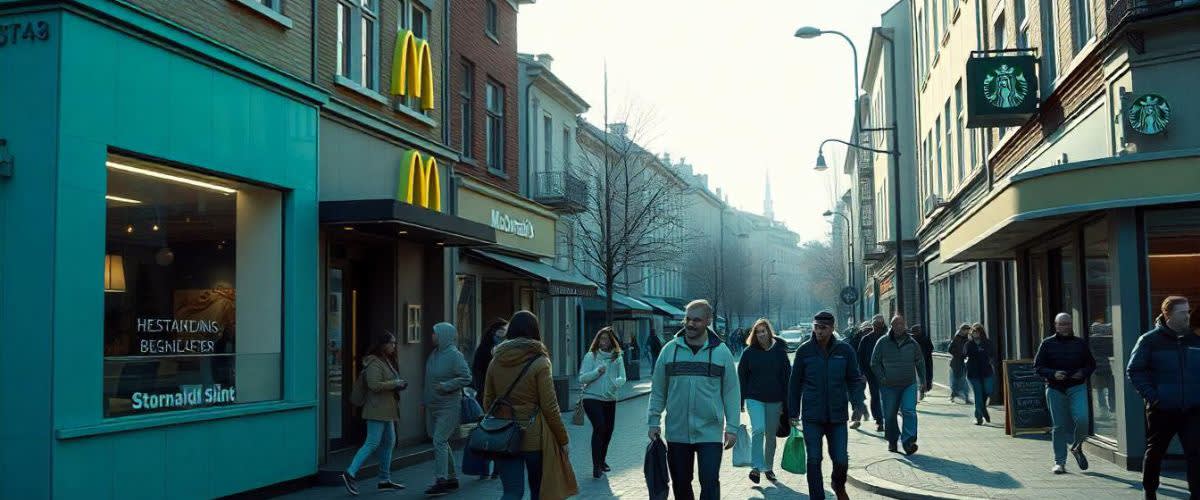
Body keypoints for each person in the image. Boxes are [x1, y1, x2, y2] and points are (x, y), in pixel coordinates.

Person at [647, 299, 740, 500]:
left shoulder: (721, 352)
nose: (690, 324)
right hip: (677, 432)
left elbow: (731, 393)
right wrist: (653, 421)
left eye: (696, 320)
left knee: (709, 484)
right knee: (681, 484)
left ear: (708, 321)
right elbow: (658, 390)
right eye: (687, 319)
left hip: (710, 433)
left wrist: (732, 428)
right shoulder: (669, 350)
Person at [483, 311, 576, 500]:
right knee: (538, 491)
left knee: (511, 492)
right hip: (533, 437)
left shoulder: (496, 360)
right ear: (534, 331)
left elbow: (487, 401)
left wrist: (503, 418)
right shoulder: (540, 362)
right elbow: (550, 407)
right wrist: (563, 439)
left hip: (504, 435)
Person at [788, 311, 867, 500]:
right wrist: (792, 411)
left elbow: (853, 380)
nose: (818, 331)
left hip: (838, 415)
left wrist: (857, 405)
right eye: (816, 327)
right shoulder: (804, 351)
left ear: (832, 329)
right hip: (812, 415)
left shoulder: (845, 351)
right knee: (814, 459)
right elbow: (795, 383)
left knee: (840, 459)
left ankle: (838, 484)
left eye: (823, 328)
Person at [1127, 296, 1200, 498]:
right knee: (1155, 453)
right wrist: (1154, 397)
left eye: (1188, 311)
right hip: (1162, 409)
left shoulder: (1196, 340)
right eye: (1182, 312)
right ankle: (1150, 492)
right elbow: (1134, 370)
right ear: (1168, 314)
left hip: (1193, 410)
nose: (1188, 315)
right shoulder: (1149, 340)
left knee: (1196, 455)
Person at [342, 332, 408, 495]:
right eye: (392, 343)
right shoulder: (373, 362)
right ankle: (350, 472)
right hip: (376, 409)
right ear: (383, 344)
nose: (394, 346)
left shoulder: (386, 360)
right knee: (372, 442)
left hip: (387, 410)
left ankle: (384, 480)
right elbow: (373, 385)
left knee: (389, 442)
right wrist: (395, 383)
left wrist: (398, 384)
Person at [1033, 312, 1096, 475]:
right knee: (1059, 426)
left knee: (1083, 419)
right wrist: (1053, 373)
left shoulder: (1080, 343)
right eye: (1061, 324)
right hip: (1055, 389)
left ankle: (1076, 447)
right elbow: (1038, 367)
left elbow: (1091, 364)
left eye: (1067, 323)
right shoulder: (1047, 344)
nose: (1064, 327)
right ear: (1055, 325)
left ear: (1071, 324)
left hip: (1077, 386)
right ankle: (1059, 462)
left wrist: (1082, 372)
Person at [422, 323, 474, 496]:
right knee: (441, 441)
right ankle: (452, 478)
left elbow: (466, 377)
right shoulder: (434, 354)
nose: (432, 336)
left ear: (444, 335)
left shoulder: (455, 355)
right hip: (433, 405)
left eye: (435, 333)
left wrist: (447, 386)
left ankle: (441, 480)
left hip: (448, 406)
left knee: (439, 440)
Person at [737, 318, 790, 484]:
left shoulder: (780, 352)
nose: (760, 334)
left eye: (763, 331)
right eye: (758, 331)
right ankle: (756, 467)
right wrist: (741, 401)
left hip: (775, 399)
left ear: (769, 332)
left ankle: (768, 468)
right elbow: (742, 377)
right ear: (754, 334)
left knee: (771, 435)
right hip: (754, 398)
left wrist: (786, 404)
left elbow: (787, 378)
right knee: (758, 429)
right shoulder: (748, 353)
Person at [870, 314, 926, 456]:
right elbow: (874, 362)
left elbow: (920, 362)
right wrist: (882, 378)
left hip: (909, 384)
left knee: (909, 411)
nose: (899, 327)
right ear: (891, 326)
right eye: (896, 324)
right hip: (889, 386)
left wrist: (923, 381)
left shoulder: (912, 343)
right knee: (889, 415)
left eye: (902, 324)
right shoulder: (883, 342)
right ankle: (892, 440)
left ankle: (908, 442)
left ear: (905, 326)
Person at [578, 326, 627, 479]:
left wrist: (616, 383)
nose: (602, 341)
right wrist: (596, 372)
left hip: (609, 398)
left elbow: (623, 377)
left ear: (612, 341)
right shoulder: (591, 356)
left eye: (606, 338)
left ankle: (602, 460)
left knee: (608, 431)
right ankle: (596, 466)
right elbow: (582, 378)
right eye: (600, 338)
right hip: (591, 398)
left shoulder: (617, 357)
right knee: (599, 427)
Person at [469, 320, 506, 479]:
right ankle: (484, 469)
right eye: (503, 330)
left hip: (502, 397)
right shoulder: (484, 350)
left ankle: (496, 469)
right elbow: (476, 372)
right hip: (487, 396)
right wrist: (481, 390)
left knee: (497, 432)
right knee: (486, 433)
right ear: (494, 331)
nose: (504, 333)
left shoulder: (506, 348)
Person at [856, 315, 887, 432]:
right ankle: (879, 420)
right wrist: (863, 373)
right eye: (875, 325)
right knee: (875, 396)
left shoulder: (888, 338)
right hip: (871, 373)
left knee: (887, 396)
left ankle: (887, 419)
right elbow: (860, 357)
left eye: (879, 325)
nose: (877, 328)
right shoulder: (866, 339)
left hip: (886, 372)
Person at [962, 323, 995, 425]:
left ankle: (983, 408)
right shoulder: (969, 344)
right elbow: (964, 355)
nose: (974, 333)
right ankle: (979, 417)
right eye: (973, 331)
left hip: (986, 372)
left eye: (976, 331)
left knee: (988, 391)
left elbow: (993, 354)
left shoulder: (987, 343)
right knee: (978, 395)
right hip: (973, 373)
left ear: (981, 332)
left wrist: (990, 360)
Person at [948, 324, 973, 404]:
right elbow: (950, 349)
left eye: (968, 330)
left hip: (964, 362)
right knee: (956, 379)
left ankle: (966, 397)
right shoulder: (956, 338)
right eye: (966, 329)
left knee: (962, 380)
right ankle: (954, 394)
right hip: (956, 362)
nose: (967, 331)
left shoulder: (968, 339)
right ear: (962, 330)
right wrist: (959, 354)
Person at [910, 324, 934, 400]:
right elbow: (931, 348)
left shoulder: (912, 339)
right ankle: (921, 391)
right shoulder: (924, 338)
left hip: (916, 361)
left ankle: (920, 391)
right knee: (922, 377)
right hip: (923, 360)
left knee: (919, 377)